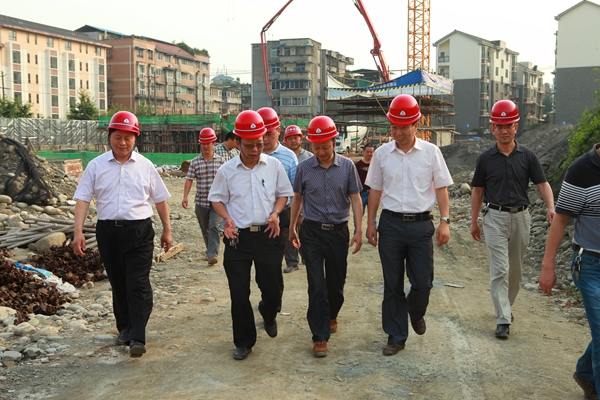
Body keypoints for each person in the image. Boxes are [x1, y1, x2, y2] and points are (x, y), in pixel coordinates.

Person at [72, 111, 172, 358]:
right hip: (108, 232)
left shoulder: (146, 166)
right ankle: (125, 328)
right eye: (118, 137)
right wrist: (78, 232)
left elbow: (160, 199)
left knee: (137, 283)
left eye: (128, 137)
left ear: (135, 138)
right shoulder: (96, 166)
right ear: (110, 137)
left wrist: (167, 230)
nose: (123, 142)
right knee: (118, 282)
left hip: (139, 231)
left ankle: (137, 336)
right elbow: (83, 198)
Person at [365, 94, 452, 356]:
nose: (398, 132)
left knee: (422, 282)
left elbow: (441, 188)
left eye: (404, 127)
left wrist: (445, 221)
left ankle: (416, 311)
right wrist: (371, 223)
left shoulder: (431, 153)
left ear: (416, 124)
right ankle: (396, 336)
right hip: (390, 225)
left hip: (420, 226)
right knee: (392, 284)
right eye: (394, 127)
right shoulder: (382, 154)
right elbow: (375, 190)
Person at [208, 110, 293, 361]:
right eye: (249, 145)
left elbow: (283, 194)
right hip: (238, 239)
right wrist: (227, 218)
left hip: (268, 235)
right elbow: (217, 199)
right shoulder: (227, 171)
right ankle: (244, 341)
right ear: (238, 141)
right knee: (238, 292)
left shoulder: (274, 166)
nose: (255, 150)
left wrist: (276, 213)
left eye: (259, 144)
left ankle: (269, 313)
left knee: (272, 288)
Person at [470, 99, 555, 339]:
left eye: (508, 125)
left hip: (521, 218)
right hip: (494, 218)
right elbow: (477, 191)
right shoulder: (485, 159)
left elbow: (542, 183)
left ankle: (505, 307)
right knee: (500, 269)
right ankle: (503, 319)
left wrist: (551, 207)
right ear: (492, 129)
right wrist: (474, 221)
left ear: (516, 127)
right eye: (499, 126)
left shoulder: (527, 156)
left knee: (515, 272)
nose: (504, 130)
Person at [289, 115, 363, 357]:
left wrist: (359, 229)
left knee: (335, 284)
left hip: (338, 233)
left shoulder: (348, 167)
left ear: (334, 142)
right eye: (316, 147)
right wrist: (292, 227)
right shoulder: (304, 168)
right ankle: (319, 336)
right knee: (316, 284)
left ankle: (332, 313)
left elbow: (355, 198)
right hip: (311, 232)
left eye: (325, 147)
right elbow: (297, 198)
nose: (320, 152)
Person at [540, 144, 600, 398]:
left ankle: (586, 371)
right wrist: (547, 266)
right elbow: (561, 220)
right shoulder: (582, 170)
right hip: (591, 266)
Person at [257, 107, 300, 275]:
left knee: (285, 240)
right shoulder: (251, 155)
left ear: (279, 131)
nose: (265, 139)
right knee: (266, 253)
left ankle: (291, 262)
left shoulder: (289, 157)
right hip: (260, 212)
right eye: (262, 134)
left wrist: (298, 213)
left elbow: (295, 188)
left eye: (270, 134)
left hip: (284, 210)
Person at [182, 128, 225, 265]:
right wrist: (185, 197)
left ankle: (212, 254)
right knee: (205, 228)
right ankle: (210, 250)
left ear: (214, 144)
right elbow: (189, 179)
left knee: (214, 226)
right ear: (200, 144)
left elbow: (227, 180)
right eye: (203, 143)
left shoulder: (221, 162)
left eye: (208, 143)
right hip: (201, 202)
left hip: (217, 202)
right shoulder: (195, 162)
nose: (206, 146)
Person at [355, 143, 375, 216]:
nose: (369, 154)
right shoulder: (357, 165)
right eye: (367, 152)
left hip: (373, 192)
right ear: (363, 151)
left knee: (373, 215)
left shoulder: (376, 164)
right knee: (359, 214)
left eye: (371, 152)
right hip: (361, 193)